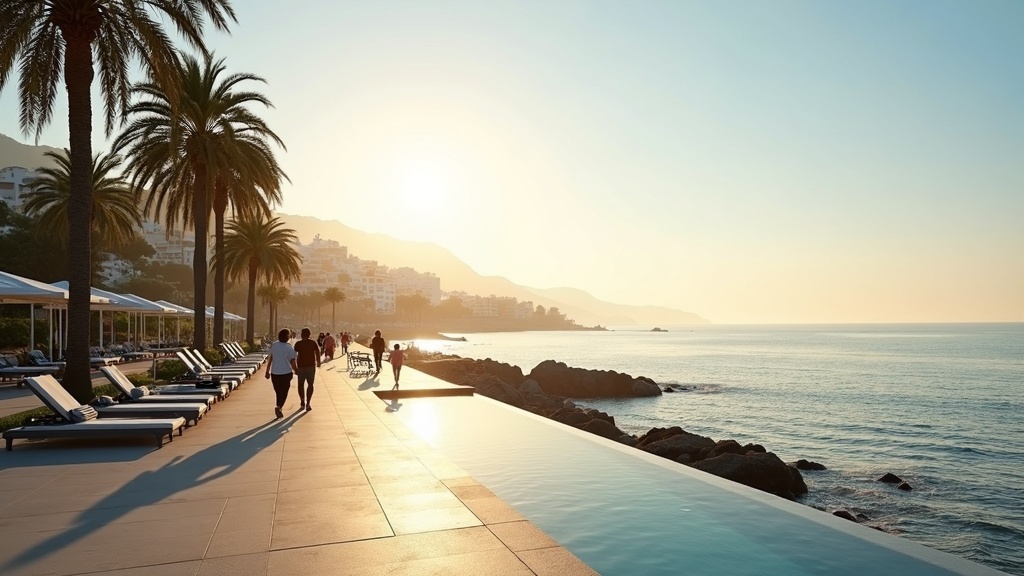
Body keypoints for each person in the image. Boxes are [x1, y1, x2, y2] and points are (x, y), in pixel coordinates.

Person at [265, 328, 297, 419]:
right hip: (286, 373)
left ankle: (278, 406)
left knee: (278, 392)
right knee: (284, 392)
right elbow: (292, 361)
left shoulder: (274, 345)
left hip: (275, 373)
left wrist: (267, 371)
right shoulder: (289, 347)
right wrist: (296, 371)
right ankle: (279, 407)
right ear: (287, 337)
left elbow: (270, 359)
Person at [294, 327, 321, 411]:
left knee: (300, 384)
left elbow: (294, 355)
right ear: (309, 335)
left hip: (301, 367)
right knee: (310, 384)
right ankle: (308, 403)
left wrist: (294, 367)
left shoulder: (298, 344)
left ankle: (302, 400)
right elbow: (317, 353)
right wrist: (319, 362)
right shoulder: (313, 343)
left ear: (302, 335)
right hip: (311, 366)